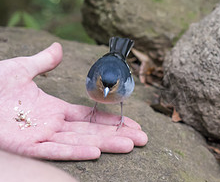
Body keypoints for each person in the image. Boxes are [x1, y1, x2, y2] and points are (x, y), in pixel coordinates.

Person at [0, 42, 148, 160]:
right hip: (108, 61)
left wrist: (121, 118)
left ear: (118, 82)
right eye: (103, 84)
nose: (106, 91)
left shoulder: (124, 82)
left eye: (111, 86)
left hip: (118, 62)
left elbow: (123, 78)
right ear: (99, 78)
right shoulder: (94, 77)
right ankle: (94, 106)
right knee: (97, 95)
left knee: (119, 99)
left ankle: (120, 118)